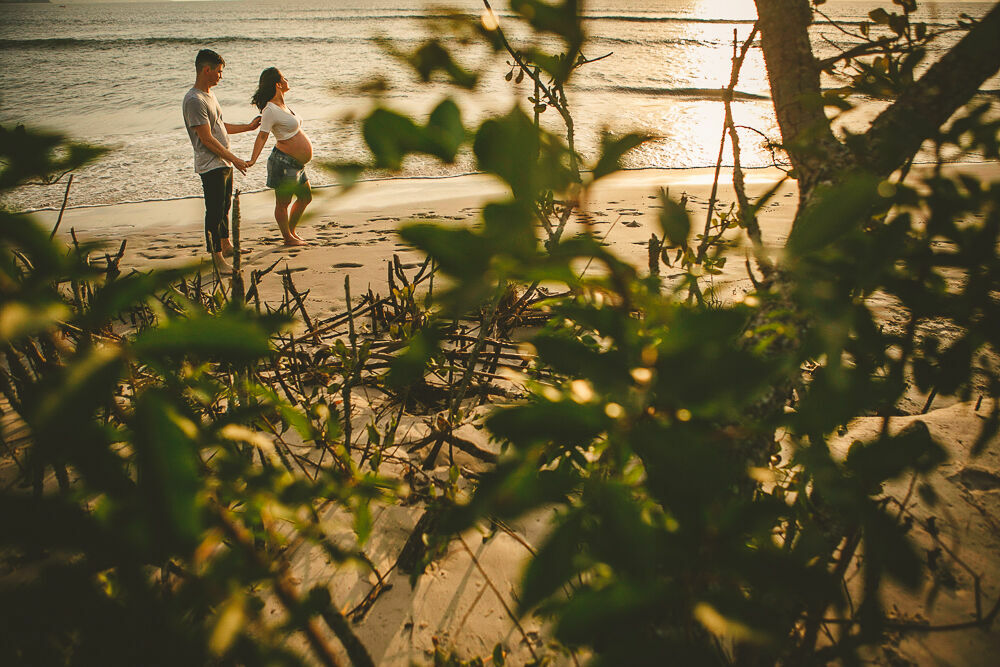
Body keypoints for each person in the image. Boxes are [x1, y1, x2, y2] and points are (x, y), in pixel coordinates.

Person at [182, 49, 261, 271]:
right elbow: (206, 139)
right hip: (211, 164)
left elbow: (219, 127)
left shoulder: (209, 96)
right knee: (215, 210)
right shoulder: (194, 100)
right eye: (219, 72)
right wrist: (234, 158)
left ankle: (226, 246)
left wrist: (248, 127)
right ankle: (216, 257)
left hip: (223, 162)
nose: (221, 76)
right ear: (206, 70)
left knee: (225, 206)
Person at [247, 67, 313, 246]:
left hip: (297, 164)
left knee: (305, 197)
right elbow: (262, 135)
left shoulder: (283, 106)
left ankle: (291, 231)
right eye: (284, 78)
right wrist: (253, 159)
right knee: (283, 203)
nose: (286, 80)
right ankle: (287, 238)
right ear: (278, 84)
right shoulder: (269, 110)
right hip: (284, 162)